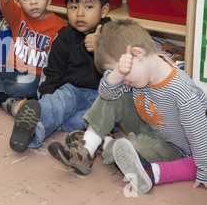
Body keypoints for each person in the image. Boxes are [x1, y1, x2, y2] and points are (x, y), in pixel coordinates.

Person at [48, 19, 207, 193]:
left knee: (133, 149)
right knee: (112, 96)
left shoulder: (182, 93)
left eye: (124, 76)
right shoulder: (139, 71)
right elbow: (106, 94)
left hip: (176, 148)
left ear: (137, 54)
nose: (124, 81)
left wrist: (204, 170)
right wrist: (117, 75)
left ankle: (105, 144)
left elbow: (199, 135)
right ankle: (87, 148)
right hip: (149, 126)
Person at [10, 0, 111, 152]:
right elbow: (52, 71)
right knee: (56, 103)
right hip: (72, 89)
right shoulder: (64, 36)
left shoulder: (114, 34)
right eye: (73, 7)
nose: (79, 13)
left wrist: (101, 47)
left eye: (88, 7)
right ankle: (32, 130)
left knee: (94, 118)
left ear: (103, 11)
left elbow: (122, 70)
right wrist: (47, 95)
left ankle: (84, 129)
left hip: (103, 95)